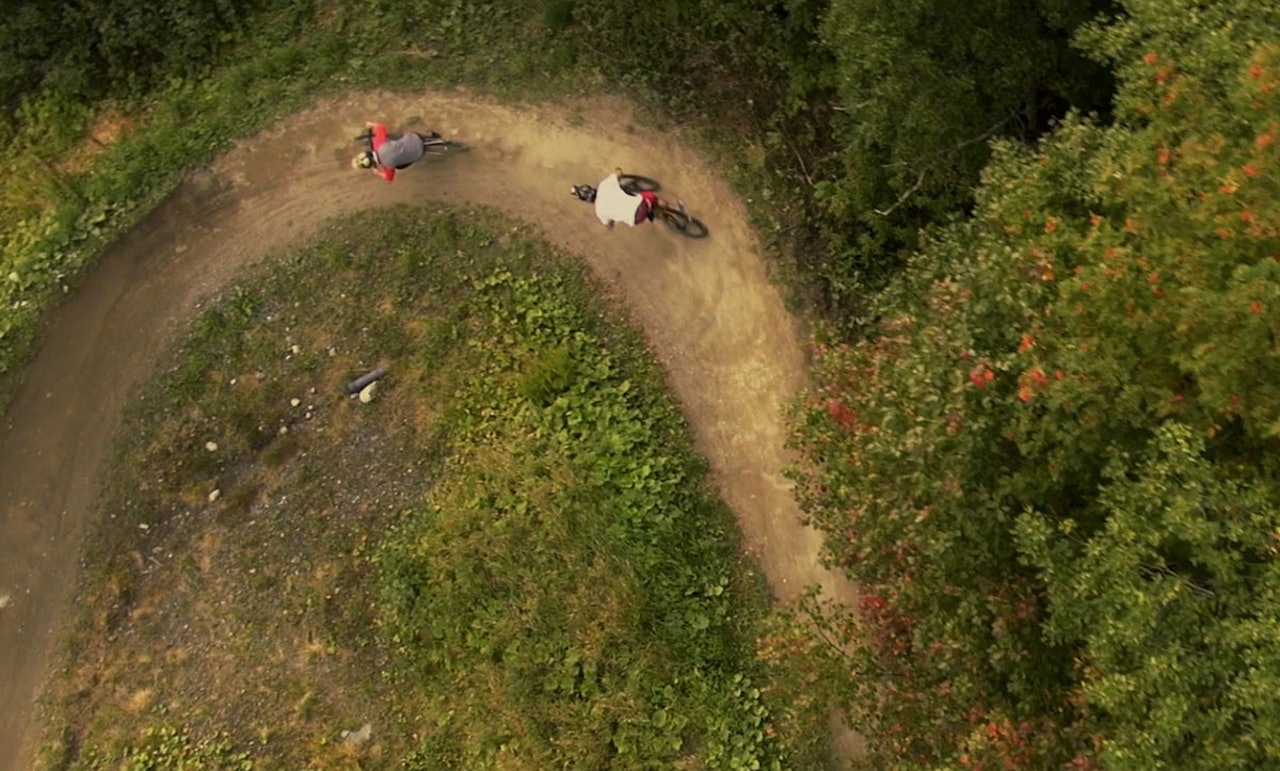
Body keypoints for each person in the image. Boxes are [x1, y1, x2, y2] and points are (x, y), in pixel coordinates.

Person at [352, 121, 441, 182]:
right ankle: (433, 136)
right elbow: (381, 126)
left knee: (398, 166)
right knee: (397, 137)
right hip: (414, 138)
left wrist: (378, 173)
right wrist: (371, 124)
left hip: (419, 154)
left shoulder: (387, 166)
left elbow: (389, 178)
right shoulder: (379, 145)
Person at [591, 168, 663, 229]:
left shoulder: (599, 212)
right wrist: (618, 170)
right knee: (654, 198)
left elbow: (609, 225)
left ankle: (656, 216)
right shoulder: (603, 186)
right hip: (640, 205)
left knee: (643, 215)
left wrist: (612, 220)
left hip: (636, 220)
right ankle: (672, 206)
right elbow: (619, 173)